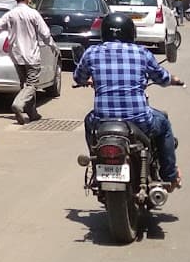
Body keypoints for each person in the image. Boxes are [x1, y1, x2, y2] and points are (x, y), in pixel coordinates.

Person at [73, 11, 184, 186]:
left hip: (103, 121)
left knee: (89, 121)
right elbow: (161, 78)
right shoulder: (142, 53)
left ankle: (96, 166)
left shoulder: (92, 53)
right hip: (139, 120)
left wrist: (88, 79)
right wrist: (174, 80)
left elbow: (78, 77)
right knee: (163, 123)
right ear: (130, 33)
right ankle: (169, 175)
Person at [0, 0, 56, 124]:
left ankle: (32, 113)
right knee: (31, 85)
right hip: (31, 55)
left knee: (24, 84)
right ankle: (18, 104)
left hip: (17, 55)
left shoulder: (10, 14)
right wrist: (52, 45)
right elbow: (45, 33)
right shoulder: (33, 14)